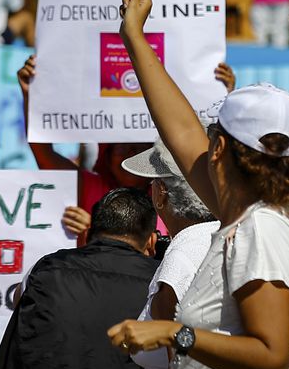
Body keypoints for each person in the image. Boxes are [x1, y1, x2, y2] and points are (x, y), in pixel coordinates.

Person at [107, 0, 289, 369]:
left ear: (219, 149)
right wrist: (134, 36)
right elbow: (181, 132)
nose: (200, 144)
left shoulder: (262, 229)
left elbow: (273, 355)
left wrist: (173, 333)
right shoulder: (248, 214)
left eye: (211, 137)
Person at [17, 56, 236, 242]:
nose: (131, 152)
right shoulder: (90, 186)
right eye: (123, 147)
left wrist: (221, 99)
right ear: (107, 155)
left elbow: (209, 156)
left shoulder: (174, 197)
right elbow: (44, 154)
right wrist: (30, 96)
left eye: (139, 147)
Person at [0, 187, 159, 369]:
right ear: (151, 242)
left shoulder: (46, 267)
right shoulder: (161, 282)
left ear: (86, 235)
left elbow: (17, 302)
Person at [122, 138, 219, 369]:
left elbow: (179, 361)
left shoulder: (183, 255)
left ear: (161, 194)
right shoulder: (226, 235)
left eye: (153, 184)